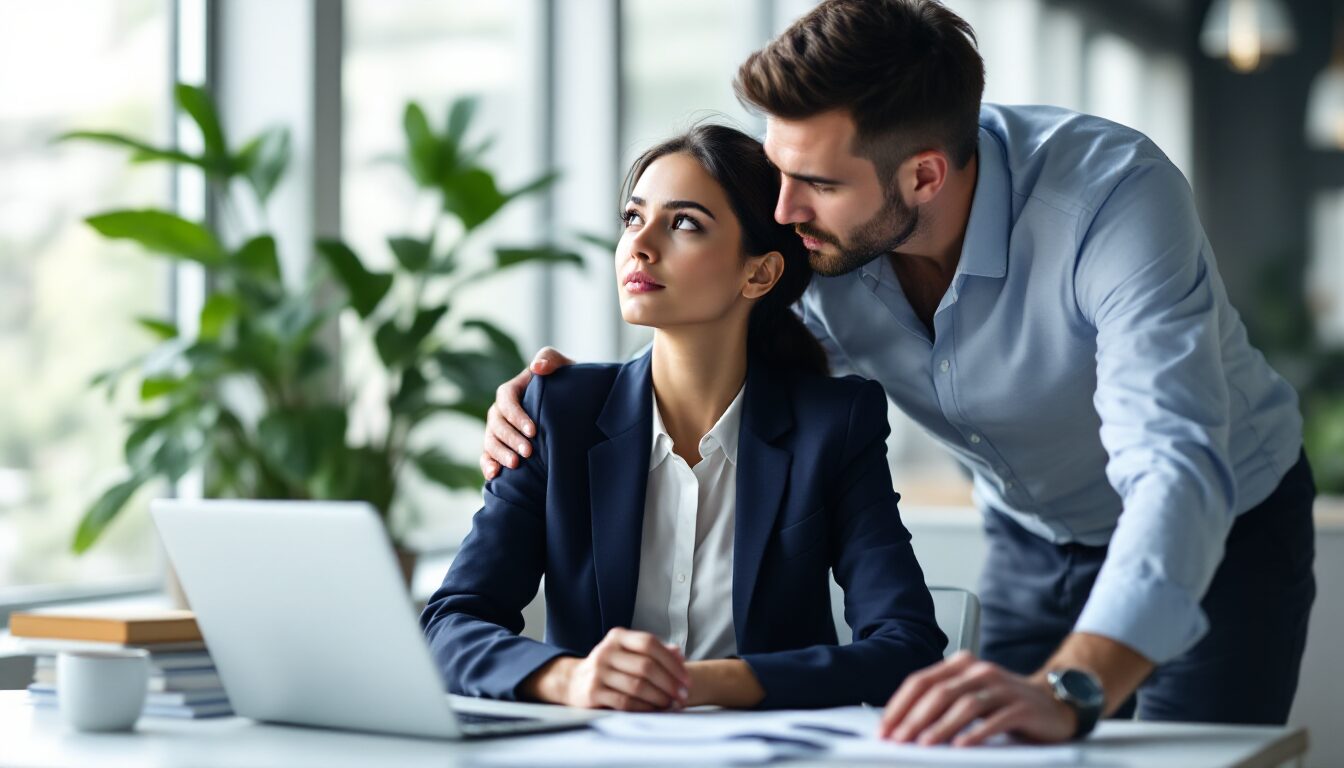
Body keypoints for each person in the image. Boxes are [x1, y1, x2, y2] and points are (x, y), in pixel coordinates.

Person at [480, 0, 1316, 745]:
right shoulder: (820, 240)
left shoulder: (1108, 202)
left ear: (924, 174)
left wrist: (1071, 688)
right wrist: (555, 398)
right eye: (778, 173)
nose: (781, 213)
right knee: (981, 744)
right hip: (1028, 541)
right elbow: (718, 335)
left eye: (813, 183)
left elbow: (1174, 465)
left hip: (1219, 528)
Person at [421, 124, 946, 711]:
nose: (640, 246)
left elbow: (908, 648)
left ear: (760, 273)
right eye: (632, 218)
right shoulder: (557, 412)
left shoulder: (834, 425)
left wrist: (701, 682)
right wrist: (570, 679)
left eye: (684, 223)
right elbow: (448, 625)